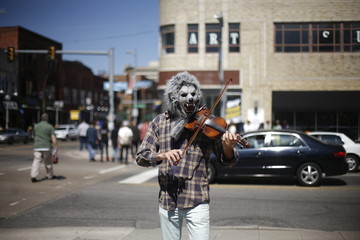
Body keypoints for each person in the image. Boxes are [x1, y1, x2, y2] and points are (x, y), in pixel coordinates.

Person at [136, 72, 239, 240]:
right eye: (184, 95)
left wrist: (228, 147)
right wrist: (162, 155)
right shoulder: (160, 122)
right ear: (174, 97)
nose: (190, 98)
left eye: (193, 94)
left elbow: (227, 161)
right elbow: (141, 156)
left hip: (197, 199)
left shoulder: (206, 123)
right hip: (168, 199)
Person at [30, 113, 58, 182]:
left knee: (36, 161)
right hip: (46, 147)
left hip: (37, 146)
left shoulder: (36, 126)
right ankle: (50, 175)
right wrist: (55, 147)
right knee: (48, 162)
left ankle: (33, 176)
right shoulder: (49, 126)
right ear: (47, 119)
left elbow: (33, 136)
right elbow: (53, 137)